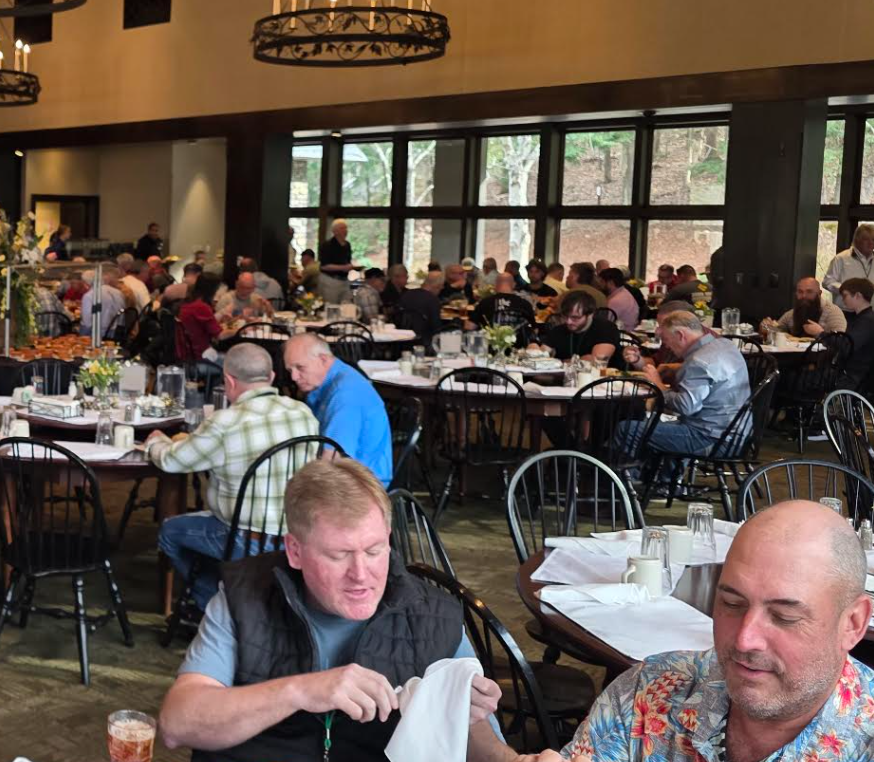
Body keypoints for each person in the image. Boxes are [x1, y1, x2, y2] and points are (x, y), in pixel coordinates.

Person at [159, 458, 510, 762]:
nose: (361, 574)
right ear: (295, 551)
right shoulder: (245, 596)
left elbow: (480, 738)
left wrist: (507, 754)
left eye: (374, 550)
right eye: (338, 555)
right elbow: (177, 724)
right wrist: (300, 691)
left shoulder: (433, 613)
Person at [547, 501, 872, 762]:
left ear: (853, 623)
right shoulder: (649, 692)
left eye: (784, 617)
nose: (744, 639)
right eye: (732, 603)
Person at [146, 344, 320, 606]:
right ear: (272, 377)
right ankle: (238, 598)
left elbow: (172, 461)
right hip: (296, 535)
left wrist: (155, 442)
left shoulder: (225, 423)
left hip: (243, 539)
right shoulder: (303, 413)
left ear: (229, 381)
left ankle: (216, 605)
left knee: (170, 532)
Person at [614, 310, 751, 460]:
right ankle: (664, 474)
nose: (666, 346)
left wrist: (658, 385)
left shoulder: (698, 361)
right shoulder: (724, 345)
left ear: (680, 335)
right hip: (738, 433)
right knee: (650, 422)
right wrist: (677, 369)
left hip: (711, 439)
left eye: (666, 339)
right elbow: (714, 374)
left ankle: (626, 474)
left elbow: (686, 407)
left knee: (627, 429)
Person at [283, 334, 391, 484]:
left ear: (323, 359)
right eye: (290, 370)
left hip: (362, 485)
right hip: (352, 475)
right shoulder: (334, 378)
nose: (294, 377)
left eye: (300, 367)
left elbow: (333, 461)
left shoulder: (345, 394)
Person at [532, 290, 621, 364]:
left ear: (590, 314)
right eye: (565, 316)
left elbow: (597, 361)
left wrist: (558, 362)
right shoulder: (558, 330)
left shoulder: (606, 328)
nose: (568, 322)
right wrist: (534, 350)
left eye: (575, 318)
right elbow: (541, 358)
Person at [760, 276, 846, 338]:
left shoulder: (833, 312)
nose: (804, 296)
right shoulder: (791, 314)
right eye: (800, 292)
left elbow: (841, 343)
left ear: (819, 294)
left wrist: (820, 333)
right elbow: (777, 331)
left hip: (823, 357)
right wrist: (767, 327)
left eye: (809, 292)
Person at [832, 277, 874, 391]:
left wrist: (820, 333)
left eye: (845, 295)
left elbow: (847, 346)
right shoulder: (862, 318)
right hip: (854, 374)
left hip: (854, 378)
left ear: (858, 295)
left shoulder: (867, 321)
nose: (843, 300)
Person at [176, 273, 224, 362]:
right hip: (201, 355)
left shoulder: (187, 302)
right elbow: (220, 335)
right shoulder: (201, 307)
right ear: (212, 290)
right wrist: (239, 330)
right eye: (217, 289)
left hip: (187, 352)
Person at [822, 222, 874, 297]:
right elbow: (827, 282)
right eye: (866, 239)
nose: (870, 243)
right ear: (857, 240)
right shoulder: (841, 258)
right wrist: (845, 289)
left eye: (873, 239)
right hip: (845, 304)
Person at [394, 270, 447, 344]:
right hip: (424, 340)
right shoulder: (433, 300)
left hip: (402, 338)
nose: (442, 288)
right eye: (442, 286)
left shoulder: (406, 295)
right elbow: (436, 326)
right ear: (437, 286)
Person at [468, 272, 533, 330]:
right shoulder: (524, 304)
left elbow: (470, 326)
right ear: (514, 285)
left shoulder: (485, 303)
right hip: (518, 340)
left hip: (490, 339)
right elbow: (534, 329)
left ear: (495, 285)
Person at [79, 266, 128, 338]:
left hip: (98, 335)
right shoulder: (118, 292)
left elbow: (87, 323)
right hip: (117, 333)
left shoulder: (89, 296)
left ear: (85, 284)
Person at [316, 219, 356, 304]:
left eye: (346, 228)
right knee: (331, 306)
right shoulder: (327, 245)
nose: (345, 231)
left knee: (346, 304)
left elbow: (347, 262)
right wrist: (343, 267)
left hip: (345, 280)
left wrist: (350, 267)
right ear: (335, 231)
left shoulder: (347, 245)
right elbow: (324, 266)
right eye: (342, 228)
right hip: (330, 280)